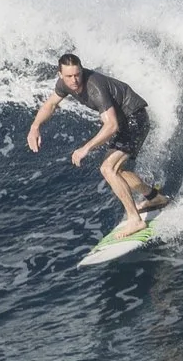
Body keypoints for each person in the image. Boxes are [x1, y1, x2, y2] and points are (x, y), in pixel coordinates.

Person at [27, 53, 169, 239]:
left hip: (134, 119)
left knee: (108, 168)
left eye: (77, 74)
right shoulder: (64, 84)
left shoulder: (94, 87)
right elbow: (51, 105)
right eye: (69, 76)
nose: (75, 80)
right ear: (60, 74)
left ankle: (135, 220)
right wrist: (35, 126)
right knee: (117, 170)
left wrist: (85, 148)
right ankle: (154, 197)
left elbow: (111, 125)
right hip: (124, 121)